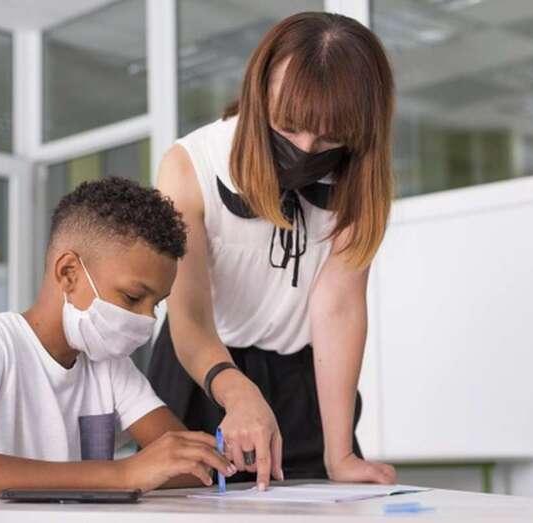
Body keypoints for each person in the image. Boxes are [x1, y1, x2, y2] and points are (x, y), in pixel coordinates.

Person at [148, 12, 398, 491]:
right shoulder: (189, 165)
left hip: (301, 378)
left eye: (328, 138)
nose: (306, 149)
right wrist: (237, 391)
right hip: (203, 367)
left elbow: (339, 311)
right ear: (260, 95)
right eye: (289, 128)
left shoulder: (359, 183)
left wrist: (340, 453)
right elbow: (190, 314)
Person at [0, 177, 236, 502]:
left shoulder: (109, 366)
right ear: (68, 273)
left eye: (157, 303)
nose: (148, 319)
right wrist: (121, 474)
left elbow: (187, 465)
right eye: (133, 296)